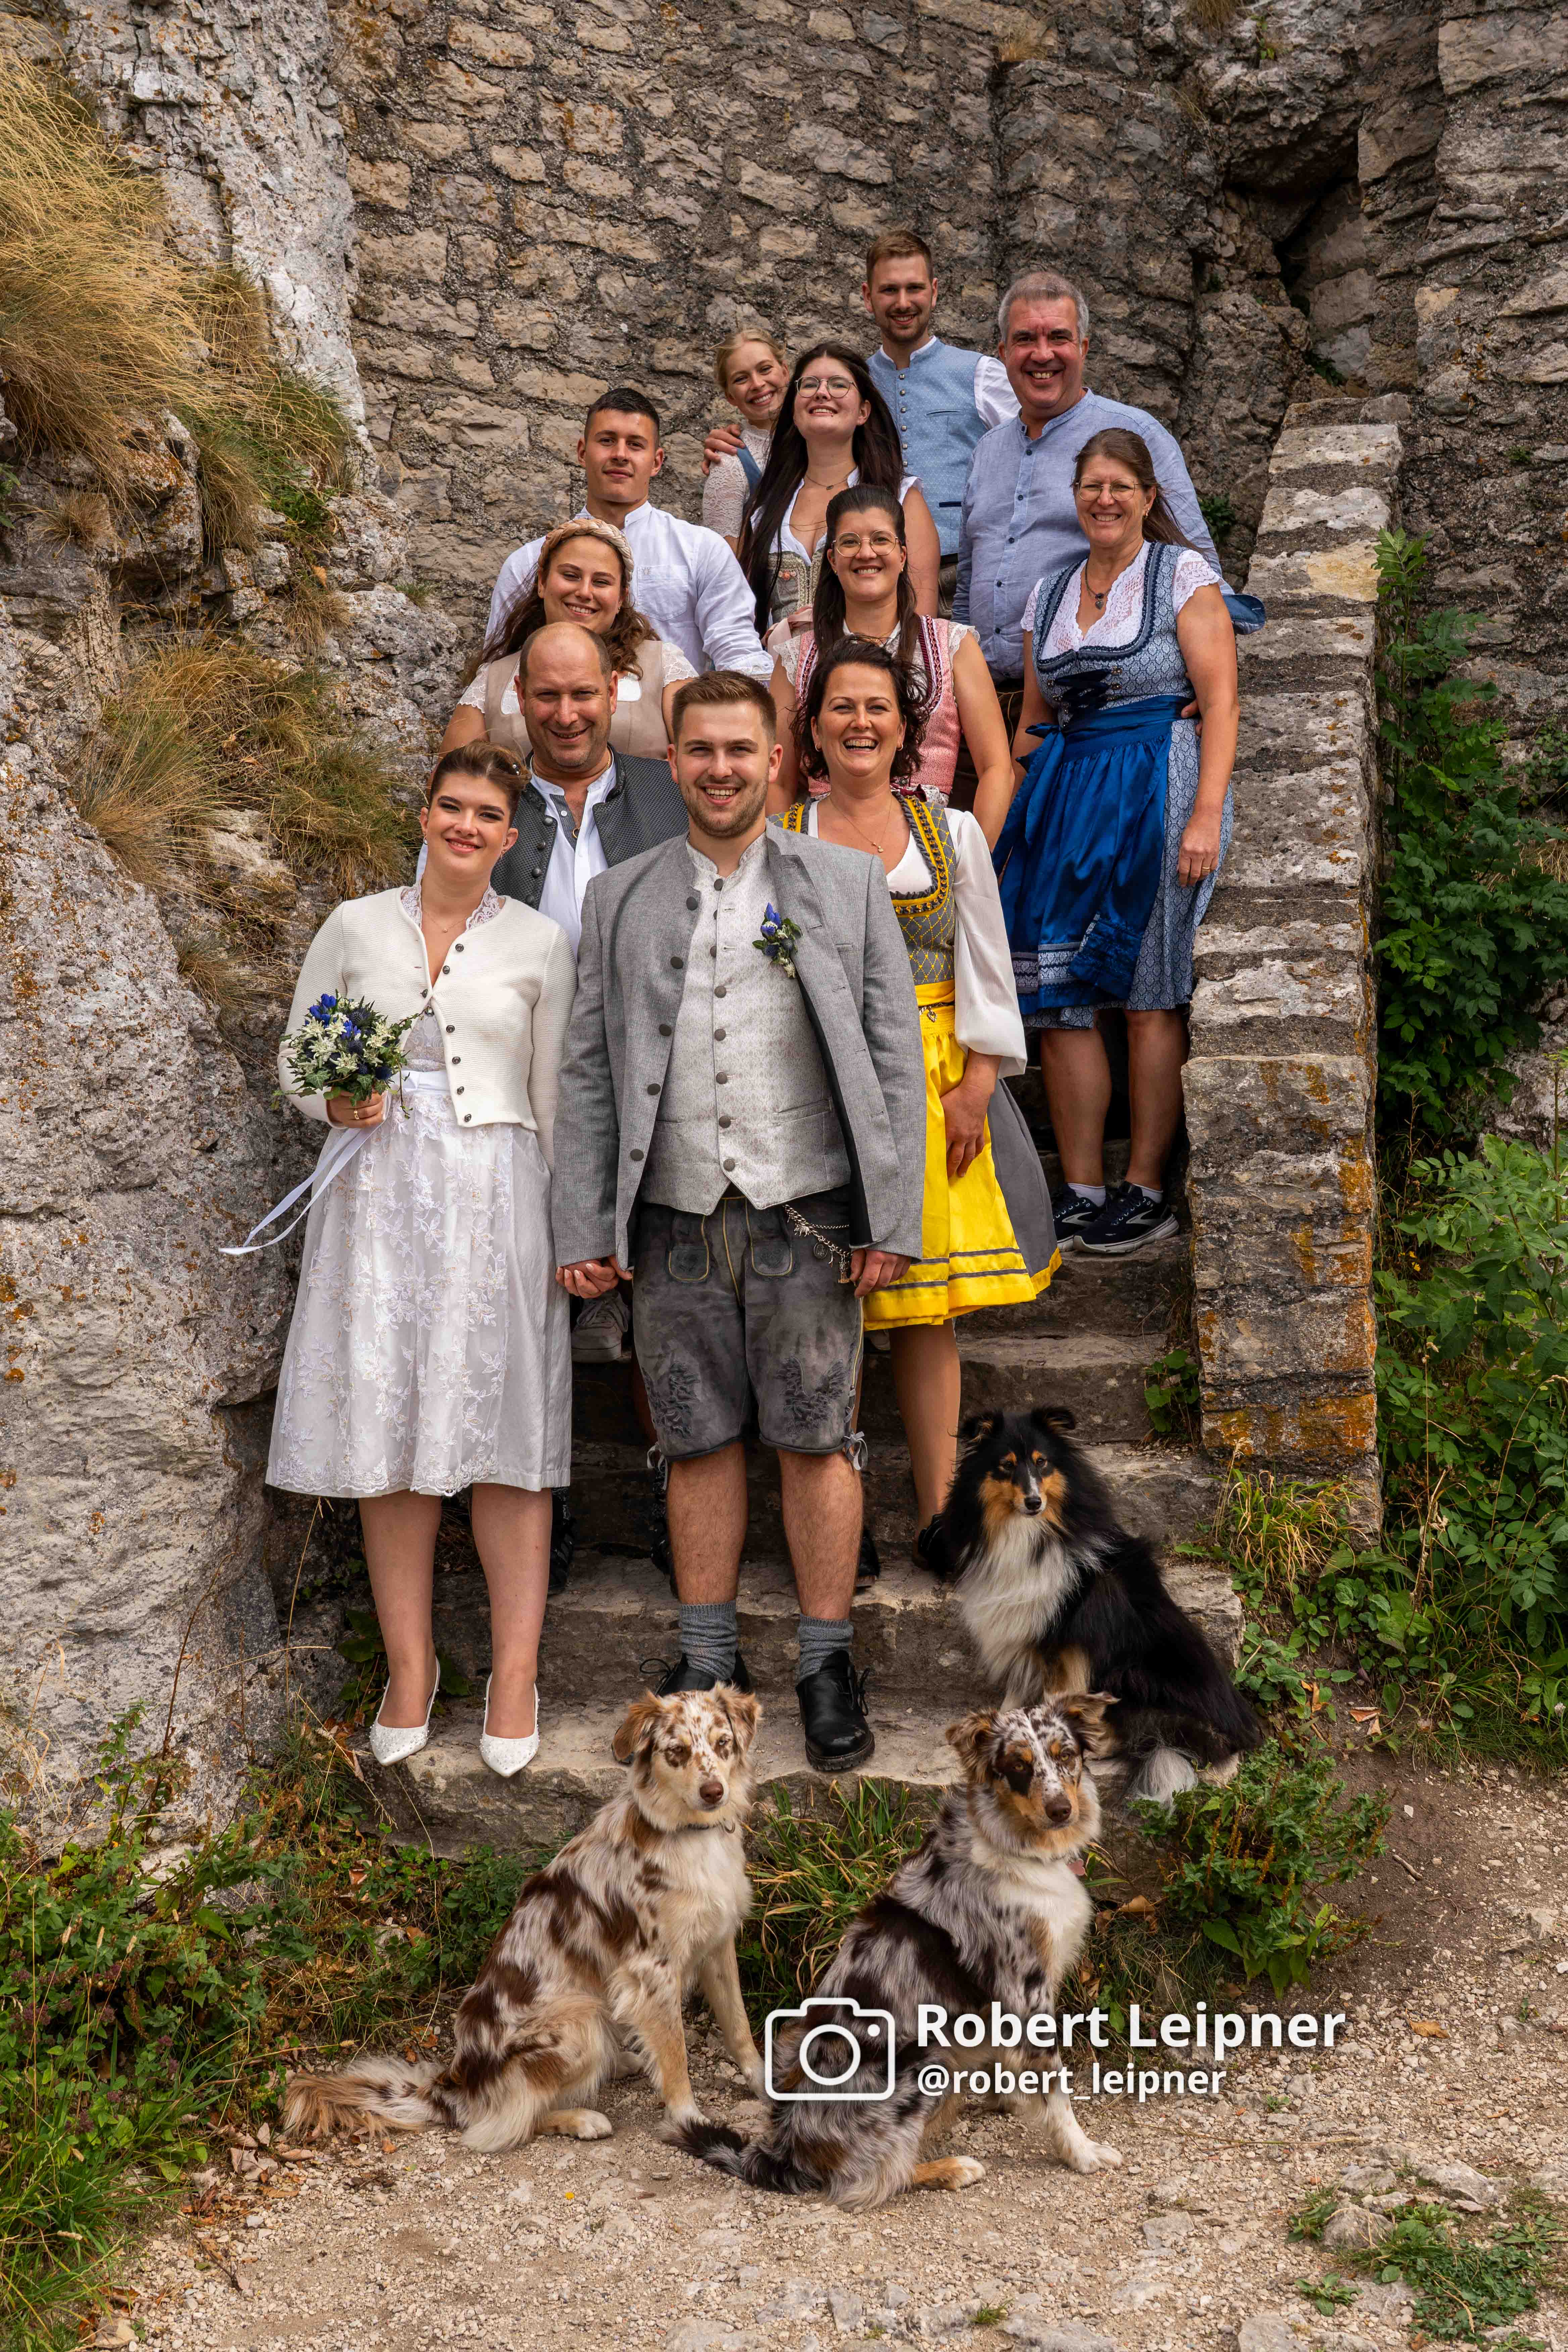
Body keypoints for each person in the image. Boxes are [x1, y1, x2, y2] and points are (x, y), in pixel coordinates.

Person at [551, 672, 927, 1773]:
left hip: (805, 1205)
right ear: (672, 761)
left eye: (740, 750)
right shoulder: (618, 896)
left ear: (777, 762)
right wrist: (584, 1219)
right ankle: (709, 1658)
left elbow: (894, 1055)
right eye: (701, 750)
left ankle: (825, 1663)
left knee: (818, 1433)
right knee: (692, 1434)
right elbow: (587, 1070)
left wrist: (891, 1213)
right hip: (671, 1210)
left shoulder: (845, 883)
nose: (721, 769)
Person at [267, 741, 577, 1779]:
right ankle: (411, 1668)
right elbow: (296, 1057)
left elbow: (554, 1100)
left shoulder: (540, 942)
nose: (467, 826)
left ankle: (515, 1675)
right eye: (453, 806)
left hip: (497, 1200)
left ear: (509, 834)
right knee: (388, 1424)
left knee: (506, 1434)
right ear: (425, 814)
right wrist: (334, 1099)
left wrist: (571, 1231)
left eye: (487, 814)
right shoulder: (356, 926)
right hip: (377, 1197)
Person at [778, 640, 1056, 1576]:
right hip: (822, 1083)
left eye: (878, 708)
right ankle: (838, 1521)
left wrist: (977, 1086)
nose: (860, 723)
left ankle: (945, 1519)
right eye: (841, 706)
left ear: (905, 727)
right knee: (831, 1308)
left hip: (937, 1084)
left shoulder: (950, 832)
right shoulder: (783, 835)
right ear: (813, 727)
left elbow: (986, 961)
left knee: (928, 1315)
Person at [995, 428, 1239, 1259]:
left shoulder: (1180, 576)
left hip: (1156, 783)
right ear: (1075, 497)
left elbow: (1220, 701)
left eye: (1119, 487)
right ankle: (1081, 1189)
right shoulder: (1050, 592)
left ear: (1146, 497)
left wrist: (1205, 813)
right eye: (1091, 487)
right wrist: (1023, 814)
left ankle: (1143, 1190)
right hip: (1068, 791)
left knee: (1145, 991)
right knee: (1058, 995)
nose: (1104, 500)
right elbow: (1034, 717)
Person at [956, 270, 1224, 746]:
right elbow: (965, 590)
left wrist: (1213, 683)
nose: (1042, 354)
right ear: (1003, 353)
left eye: (1058, 338)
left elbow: (1201, 571)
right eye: (1025, 339)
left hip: (1088, 715)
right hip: (979, 709)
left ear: (1083, 348)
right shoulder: (986, 452)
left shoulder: (1137, 434)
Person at [767, 485, 1015, 841]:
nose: (866, 553)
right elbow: (778, 782)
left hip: (934, 852)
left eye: (881, 540)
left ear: (902, 555)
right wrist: (790, 861)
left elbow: (996, 769)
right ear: (833, 560)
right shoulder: (795, 659)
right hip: (828, 852)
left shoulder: (954, 645)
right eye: (850, 542)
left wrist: (970, 862)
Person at [485, 389, 773, 682]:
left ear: (657, 461)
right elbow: (499, 671)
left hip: (674, 710)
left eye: (635, 444)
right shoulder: (529, 563)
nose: (620, 455)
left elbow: (739, 654)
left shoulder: (702, 550)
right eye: (607, 441)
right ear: (583, 452)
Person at [862, 229, 1019, 614]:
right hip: (874, 574)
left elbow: (1034, 452)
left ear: (933, 292)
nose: (903, 302)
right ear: (868, 297)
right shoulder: (854, 382)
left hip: (962, 574)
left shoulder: (981, 373)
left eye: (914, 288)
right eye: (889, 290)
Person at [737, 343, 940, 638]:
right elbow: (742, 616)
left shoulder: (901, 498)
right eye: (809, 385)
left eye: (838, 385)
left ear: (863, 412)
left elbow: (919, 620)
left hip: (873, 664)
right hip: (777, 665)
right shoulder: (765, 507)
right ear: (794, 411)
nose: (822, 393)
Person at [451, 519, 693, 763]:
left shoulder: (663, 666)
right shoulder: (494, 680)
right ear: (542, 582)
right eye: (570, 576)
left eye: (601, 582)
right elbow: (454, 778)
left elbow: (701, 759)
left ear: (622, 598)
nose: (585, 592)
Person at [701, 330, 789, 549]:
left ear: (785, 371)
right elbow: (726, 562)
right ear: (730, 396)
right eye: (741, 379)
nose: (757, 384)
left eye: (765, 369)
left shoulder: (824, 439)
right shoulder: (730, 463)